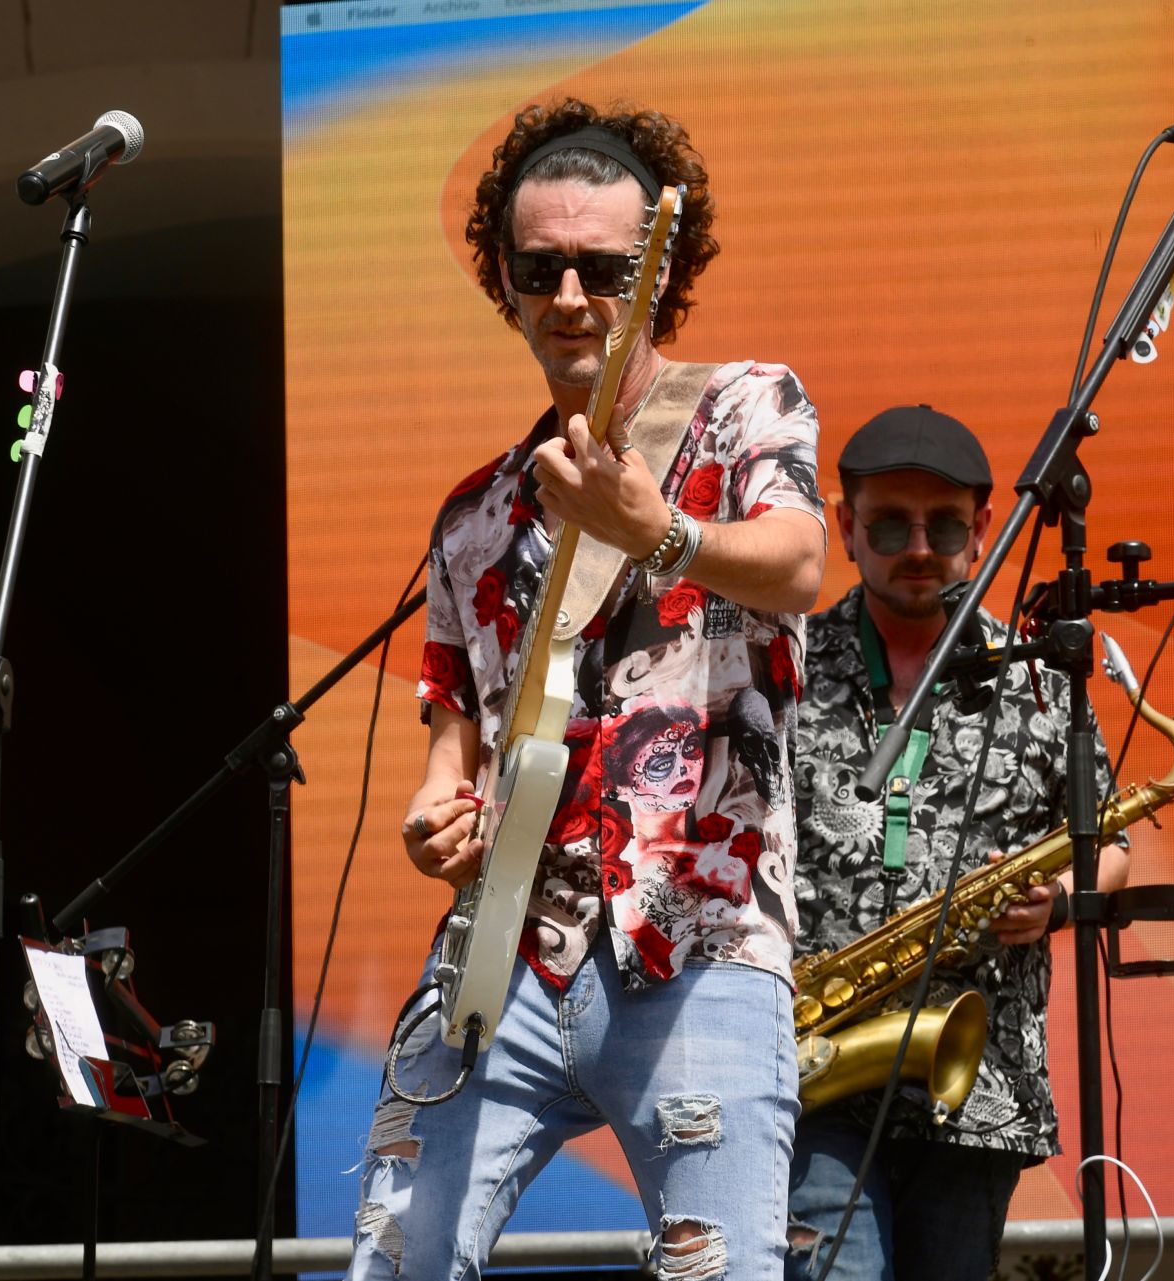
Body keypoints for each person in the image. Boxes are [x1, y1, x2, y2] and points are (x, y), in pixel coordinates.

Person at [345, 98, 828, 1280]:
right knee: (394, 1258)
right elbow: (446, 759)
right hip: (498, 955)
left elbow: (801, 563)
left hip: (693, 940)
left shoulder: (741, 408)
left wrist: (655, 531)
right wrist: (431, 824)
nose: (571, 297)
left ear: (661, 275)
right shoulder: (474, 513)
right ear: (504, 282)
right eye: (539, 266)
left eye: (605, 269)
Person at [784, 406, 1131, 1281]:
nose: (919, 547)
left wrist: (1053, 904)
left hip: (979, 1087)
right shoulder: (782, 665)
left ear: (983, 528)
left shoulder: (1043, 677)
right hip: (813, 1073)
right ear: (845, 526)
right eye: (890, 523)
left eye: (944, 525)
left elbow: (1116, 843)